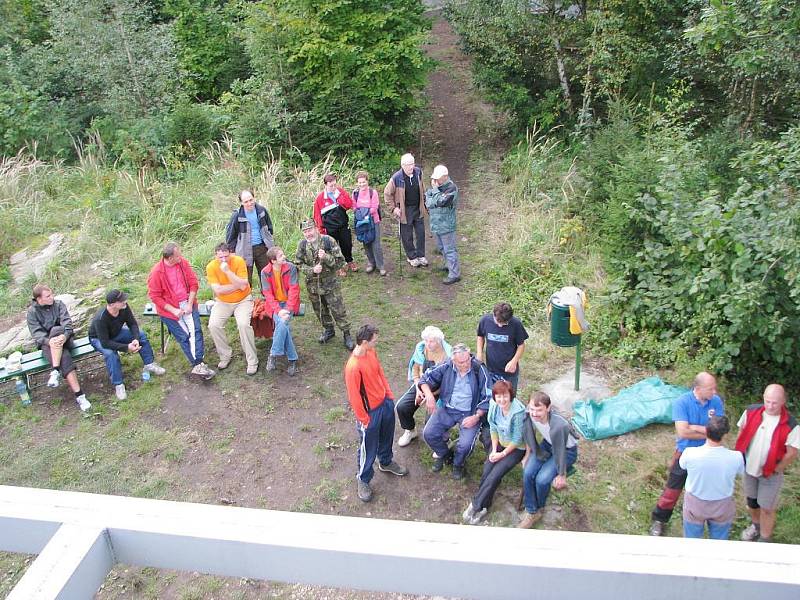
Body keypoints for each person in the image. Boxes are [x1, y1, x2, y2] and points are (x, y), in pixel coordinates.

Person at [649, 372, 723, 536]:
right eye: (710, 389)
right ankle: (659, 520)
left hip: (709, 453)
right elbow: (683, 432)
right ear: (698, 389)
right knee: (673, 489)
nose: (714, 392)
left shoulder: (716, 401)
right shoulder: (682, 402)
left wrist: (694, 427)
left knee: (706, 489)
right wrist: (707, 432)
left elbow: (719, 430)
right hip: (685, 453)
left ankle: (706, 521)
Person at [344, 324, 408, 502]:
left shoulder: (371, 353)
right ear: (364, 342)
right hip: (370, 414)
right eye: (374, 340)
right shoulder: (353, 367)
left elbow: (379, 372)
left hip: (385, 405)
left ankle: (386, 462)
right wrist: (364, 419)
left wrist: (389, 395)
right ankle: (363, 479)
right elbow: (354, 396)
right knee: (368, 447)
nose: (376, 342)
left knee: (387, 437)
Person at [735, 384, 799, 543]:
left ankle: (765, 538)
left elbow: (792, 453)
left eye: (775, 403)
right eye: (767, 401)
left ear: (783, 401)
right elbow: (741, 432)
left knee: (767, 508)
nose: (770, 406)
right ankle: (756, 526)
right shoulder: (751, 412)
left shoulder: (791, 424)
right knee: (752, 502)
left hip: (771, 474)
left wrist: (777, 469)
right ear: (763, 397)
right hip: (749, 469)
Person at [419, 343, 491, 479]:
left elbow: (488, 395)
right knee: (429, 433)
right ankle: (446, 455)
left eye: (467, 360)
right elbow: (425, 379)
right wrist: (429, 396)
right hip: (448, 408)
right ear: (453, 361)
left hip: (470, 412)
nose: (466, 364)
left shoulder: (478, 368)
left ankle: (458, 464)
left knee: (465, 445)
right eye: (461, 362)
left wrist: (476, 416)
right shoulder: (446, 365)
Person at [147, 242, 215, 379]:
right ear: (170, 258)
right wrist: (173, 310)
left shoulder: (183, 263)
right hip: (169, 310)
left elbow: (193, 283)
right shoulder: (156, 273)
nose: (181, 257)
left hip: (187, 302)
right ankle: (198, 364)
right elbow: (155, 296)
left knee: (195, 331)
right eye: (178, 255)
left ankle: (198, 363)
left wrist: (190, 304)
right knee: (184, 336)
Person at [463, 380, 526, 525]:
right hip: (500, 444)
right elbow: (493, 427)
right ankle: (486, 505)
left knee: (495, 474)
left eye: (505, 396)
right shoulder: (493, 405)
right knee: (487, 470)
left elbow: (517, 439)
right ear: (494, 397)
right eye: (499, 396)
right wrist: (494, 449)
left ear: (511, 395)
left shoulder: (518, 412)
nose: (502, 400)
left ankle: (475, 505)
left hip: (515, 449)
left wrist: (502, 454)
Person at [88, 289, 165, 400]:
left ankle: (149, 364)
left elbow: (132, 323)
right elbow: (105, 343)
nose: (125, 301)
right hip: (99, 339)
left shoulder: (124, 307)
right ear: (113, 304)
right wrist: (126, 348)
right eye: (122, 300)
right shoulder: (100, 319)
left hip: (116, 332)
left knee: (142, 335)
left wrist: (135, 339)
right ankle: (118, 384)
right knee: (111, 354)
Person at [518, 391, 579, 528]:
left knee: (542, 479)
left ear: (548, 408)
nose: (534, 413)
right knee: (528, 472)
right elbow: (528, 433)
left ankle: (539, 508)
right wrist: (527, 456)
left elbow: (560, 450)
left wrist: (561, 475)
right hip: (547, 444)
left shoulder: (559, 425)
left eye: (539, 410)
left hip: (566, 451)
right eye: (532, 409)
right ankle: (531, 509)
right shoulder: (529, 413)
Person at [26, 284, 91, 411]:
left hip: (66, 339)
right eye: (48, 296)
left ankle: (55, 370)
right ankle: (80, 396)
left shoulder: (59, 304)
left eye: (51, 294)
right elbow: (37, 333)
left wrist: (65, 336)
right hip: (48, 345)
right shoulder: (32, 312)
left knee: (56, 329)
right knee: (65, 358)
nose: (52, 297)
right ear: (39, 299)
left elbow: (67, 324)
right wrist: (48, 341)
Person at [679, 415, 743, 539]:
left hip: (695, 504)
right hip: (722, 504)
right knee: (719, 541)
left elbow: (682, 466)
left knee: (692, 541)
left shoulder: (690, 453)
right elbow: (741, 472)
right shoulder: (736, 457)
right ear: (725, 435)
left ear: (706, 431)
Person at [295, 219, 354, 351]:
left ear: (316, 228)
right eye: (305, 231)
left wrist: (326, 257)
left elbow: (340, 263)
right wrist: (311, 270)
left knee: (338, 310)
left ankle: (346, 333)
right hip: (313, 285)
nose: (308, 234)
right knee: (320, 310)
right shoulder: (302, 245)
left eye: (310, 230)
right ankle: (329, 330)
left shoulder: (328, 241)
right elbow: (298, 264)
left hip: (330, 284)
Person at [396, 326, 453, 447]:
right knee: (402, 407)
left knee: (432, 419)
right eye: (426, 340)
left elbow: (448, 384)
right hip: (421, 386)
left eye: (431, 341)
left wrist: (430, 395)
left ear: (439, 341)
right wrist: (418, 389)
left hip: (440, 391)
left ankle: (442, 440)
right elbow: (415, 370)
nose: (428, 344)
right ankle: (410, 431)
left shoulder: (447, 356)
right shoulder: (421, 348)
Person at [206, 243, 258, 375]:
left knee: (243, 324)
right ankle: (225, 356)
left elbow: (244, 286)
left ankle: (252, 361)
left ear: (231, 253)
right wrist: (236, 284)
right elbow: (218, 289)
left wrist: (227, 271)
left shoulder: (238, 261)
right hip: (222, 302)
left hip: (243, 300)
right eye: (220, 257)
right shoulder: (211, 267)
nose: (223, 260)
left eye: (226, 256)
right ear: (215, 256)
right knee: (213, 325)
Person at [261, 246, 301, 376]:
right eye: (281, 256)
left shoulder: (291, 268)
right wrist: (278, 311)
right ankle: (293, 359)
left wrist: (288, 309)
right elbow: (267, 294)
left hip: (289, 303)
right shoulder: (265, 272)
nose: (284, 257)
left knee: (282, 324)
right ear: (273, 260)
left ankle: (273, 354)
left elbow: (294, 290)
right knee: (283, 324)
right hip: (274, 305)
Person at [225, 189, 274, 289]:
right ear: (241, 203)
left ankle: (268, 298)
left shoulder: (262, 211)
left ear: (254, 198)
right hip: (244, 250)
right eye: (246, 202)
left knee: (267, 275)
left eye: (251, 200)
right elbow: (230, 236)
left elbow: (269, 227)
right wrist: (232, 252)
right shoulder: (237, 215)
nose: (249, 203)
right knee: (245, 278)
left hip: (262, 248)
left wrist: (268, 242)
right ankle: (246, 300)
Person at [384, 153, 427, 267]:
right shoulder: (397, 178)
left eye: (412, 164)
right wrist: (393, 209)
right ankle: (411, 256)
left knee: (421, 232)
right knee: (407, 235)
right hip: (405, 209)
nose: (411, 167)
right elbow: (387, 194)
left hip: (418, 207)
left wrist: (425, 200)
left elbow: (422, 187)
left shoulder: (418, 172)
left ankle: (421, 255)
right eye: (408, 165)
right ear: (402, 165)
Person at [476, 302, 529, 393]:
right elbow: (480, 336)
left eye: (505, 323)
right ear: (493, 315)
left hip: (509, 372)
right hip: (491, 369)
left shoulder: (516, 324)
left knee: (509, 396)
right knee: (494, 396)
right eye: (498, 322)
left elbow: (521, 345)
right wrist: (479, 353)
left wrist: (514, 361)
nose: (500, 325)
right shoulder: (485, 320)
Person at [313, 173, 356, 275]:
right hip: (330, 228)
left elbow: (349, 204)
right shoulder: (320, 198)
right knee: (333, 248)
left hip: (343, 225)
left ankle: (350, 261)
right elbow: (317, 216)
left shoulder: (340, 192)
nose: (333, 187)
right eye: (331, 186)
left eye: (334, 185)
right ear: (325, 185)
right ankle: (338, 266)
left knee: (347, 244)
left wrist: (339, 197)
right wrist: (321, 230)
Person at [425, 164, 460, 285]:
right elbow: (428, 202)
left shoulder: (451, 188)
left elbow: (441, 202)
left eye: (438, 178)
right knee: (441, 248)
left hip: (446, 226)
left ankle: (454, 274)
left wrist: (434, 192)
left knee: (449, 249)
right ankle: (448, 265)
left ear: (445, 176)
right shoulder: (437, 187)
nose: (435, 181)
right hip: (436, 224)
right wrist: (434, 196)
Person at [352, 170, 386, 276]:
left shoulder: (373, 192)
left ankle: (381, 266)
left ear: (367, 181)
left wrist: (365, 212)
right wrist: (361, 214)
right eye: (360, 182)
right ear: (357, 183)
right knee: (366, 242)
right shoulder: (355, 193)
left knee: (376, 244)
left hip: (373, 221)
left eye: (364, 182)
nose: (362, 184)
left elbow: (374, 207)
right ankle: (371, 263)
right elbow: (354, 207)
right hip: (361, 222)